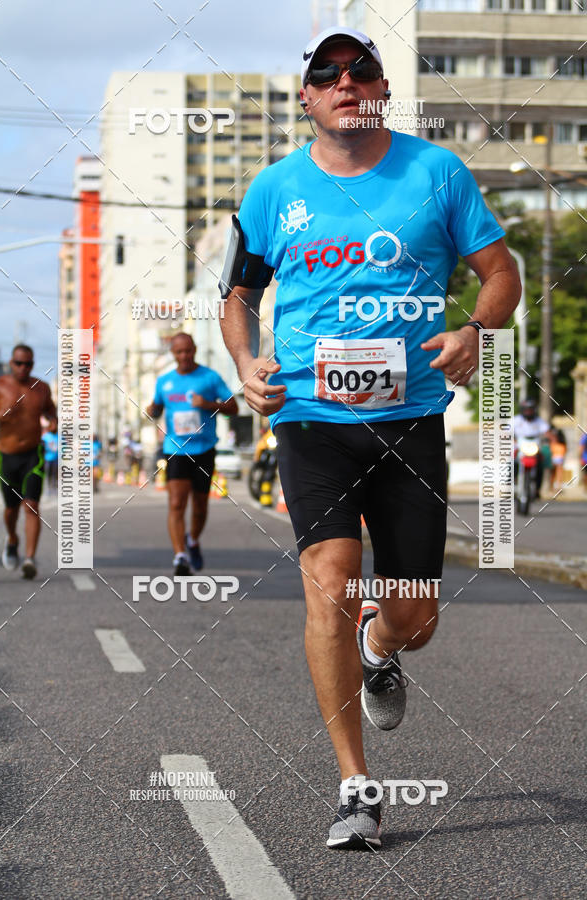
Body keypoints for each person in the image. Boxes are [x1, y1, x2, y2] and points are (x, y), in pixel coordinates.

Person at [219, 25, 521, 849]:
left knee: (415, 615)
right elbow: (239, 294)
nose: (347, 83)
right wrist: (245, 361)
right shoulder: (273, 190)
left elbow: (503, 274)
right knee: (331, 576)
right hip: (311, 416)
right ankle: (356, 785)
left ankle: (379, 644)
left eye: (363, 71)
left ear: (381, 89)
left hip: (411, 416)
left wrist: (473, 331)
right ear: (309, 97)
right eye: (329, 74)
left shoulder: (437, 173)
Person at [146, 333, 237, 575]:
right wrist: (152, 409)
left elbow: (234, 407)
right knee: (176, 503)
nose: (184, 356)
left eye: (188, 351)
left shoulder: (209, 377)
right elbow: (155, 407)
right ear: (173, 354)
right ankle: (180, 556)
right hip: (175, 449)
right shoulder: (164, 381)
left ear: (194, 349)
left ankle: (193, 540)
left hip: (204, 449)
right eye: (179, 352)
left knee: (199, 507)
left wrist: (208, 404)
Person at [0, 344, 56, 579]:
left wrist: (53, 421)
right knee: (10, 509)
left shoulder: (41, 388)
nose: (23, 368)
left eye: (28, 364)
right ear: (11, 362)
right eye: (18, 363)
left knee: (32, 506)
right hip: (7, 456)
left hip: (33, 455)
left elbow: (51, 412)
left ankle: (29, 558)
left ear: (33, 364)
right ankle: (13, 539)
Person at [513, 399, 549, 498]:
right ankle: (511, 482)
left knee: (541, 463)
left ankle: (537, 488)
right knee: (511, 460)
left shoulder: (539, 421)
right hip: (519, 444)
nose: (529, 412)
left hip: (534, 445)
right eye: (527, 410)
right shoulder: (516, 420)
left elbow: (547, 432)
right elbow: (506, 431)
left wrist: (549, 439)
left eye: (531, 410)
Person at [42, 419, 59, 495]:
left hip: (57, 459)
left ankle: (54, 488)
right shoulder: (45, 436)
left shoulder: (59, 436)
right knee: (48, 474)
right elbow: (42, 446)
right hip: (48, 459)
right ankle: (49, 488)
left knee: (55, 474)